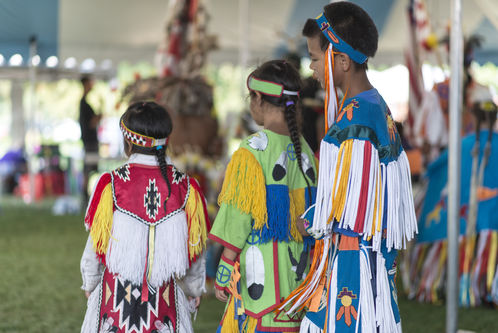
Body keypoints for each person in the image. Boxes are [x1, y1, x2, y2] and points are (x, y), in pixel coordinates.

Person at [278, 2, 417, 332]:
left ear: (340, 60)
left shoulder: (357, 120)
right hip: (370, 256)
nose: (310, 67)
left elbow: (354, 208)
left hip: (353, 259)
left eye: (314, 57)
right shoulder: (374, 107)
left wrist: (310, 219)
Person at [80, 102, 210, 333]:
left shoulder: (111, 185)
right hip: (165, 307)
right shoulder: (187, 189)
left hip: (114, 303)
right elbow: (195, 249)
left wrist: (90, 282)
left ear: (128, 142)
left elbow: (96, 245)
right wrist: (193, 289)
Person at [209, 60, 318, 332]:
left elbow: (238, 216)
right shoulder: (305, 150)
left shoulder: (251, 152)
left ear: (257, 98)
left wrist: (224, 268)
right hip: (300, 280)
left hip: (262, 279)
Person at [79, 75, 102, 207]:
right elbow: (91, 123)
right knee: (88, 169)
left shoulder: (84, 103)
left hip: (89, 141)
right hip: (89, 142)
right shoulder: (84, 104)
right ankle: (85, 196)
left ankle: (86, 195)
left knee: (89, 169)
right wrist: (98, 116)